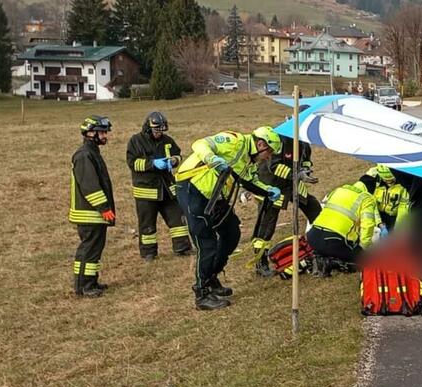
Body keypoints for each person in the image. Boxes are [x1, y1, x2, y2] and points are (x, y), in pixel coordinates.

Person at [174, 126, 283, 310]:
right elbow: (200, 144)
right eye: (269, 152)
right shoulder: (234, 141)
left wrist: (268, 191)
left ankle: (211, 276)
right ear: (260, 144)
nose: (269, 157)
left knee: (232, 232)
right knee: (206, 241)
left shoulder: (249, 160)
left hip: (215, 195)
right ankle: (202, 293)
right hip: (192, 188)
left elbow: (248, 180)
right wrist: (212, 159)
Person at [251, 134, 322, 276]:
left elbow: (305, 160)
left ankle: (321, 246)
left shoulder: (304, 142)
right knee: (267, 224)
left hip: (291, 183)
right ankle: (261, 263)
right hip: (271, 186)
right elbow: (274, 166)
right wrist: (296, 174)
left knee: (313, 207)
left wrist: (306, 171)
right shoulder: (281, 140)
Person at [125, 111, 191, 260]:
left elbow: (178, 154)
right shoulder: (136, 141)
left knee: (177, 220)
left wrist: (174, 160)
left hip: (167, 189)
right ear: (148, 128)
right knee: (147, 224)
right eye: (156, 131)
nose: (159, 134)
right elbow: (132, 163)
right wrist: (152, 164)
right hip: (146, 191)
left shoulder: (167, 140)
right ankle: (149, 253)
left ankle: (182, 247)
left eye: (161, 130)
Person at [69, 115, 116, 297]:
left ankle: (91, 281)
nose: (105, 136)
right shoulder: (84, 155)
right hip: (89, 213)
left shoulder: (92, 152)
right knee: (88, 250)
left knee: (95, 249)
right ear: (90, 133)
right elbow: (90, 185)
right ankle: (83, 287)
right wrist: (103, 208)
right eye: (102, 132)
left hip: (94, 213)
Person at [306, 182, 378, 268]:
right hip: (333, 241)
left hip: (312, 237)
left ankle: (322, 256)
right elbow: (368, 225)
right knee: (367, 261)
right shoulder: (366, 198)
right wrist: (364, 247)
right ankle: (331, 262)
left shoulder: (338, 190)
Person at [358, 164, 409, 230]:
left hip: (393, 217)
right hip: (375, 213)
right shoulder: (372, 180)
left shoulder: (404, 183)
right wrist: (379, 223)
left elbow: (403, 207)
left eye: (391, 180)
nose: (389, 183)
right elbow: (371, 203)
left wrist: (397, 227)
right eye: (386, 180)